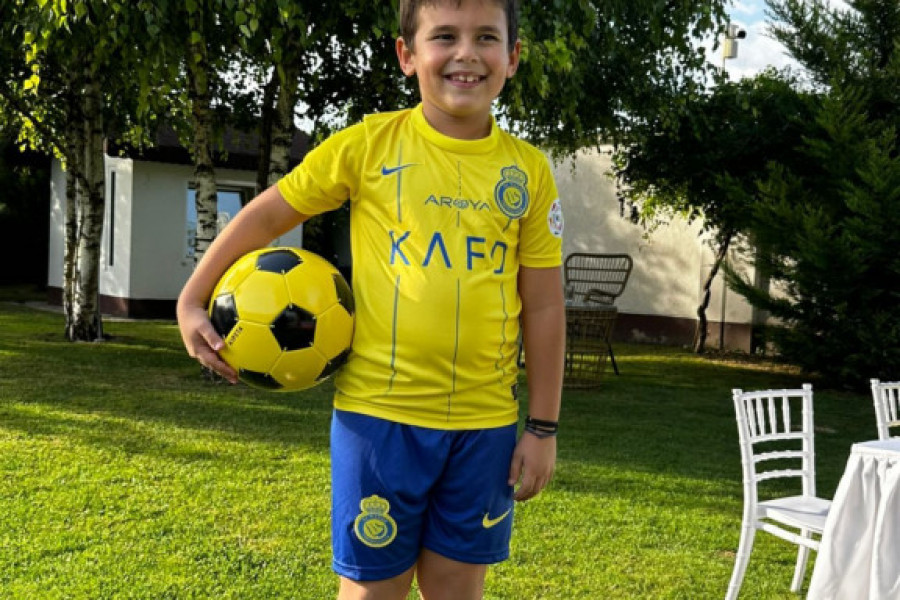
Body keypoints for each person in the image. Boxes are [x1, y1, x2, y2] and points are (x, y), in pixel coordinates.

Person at [176, 0, 565, 597]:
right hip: (378, 421)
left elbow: (542, 305)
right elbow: (268, 214)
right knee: (369, 593)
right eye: (444, 36)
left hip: (484, 427)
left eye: (486, 37)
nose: (466, 53)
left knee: (457, 592)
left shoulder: (528, 173)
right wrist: (192, 298)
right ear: (407, 55)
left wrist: (542, 427)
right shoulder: (368, 146)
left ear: (512, 57)